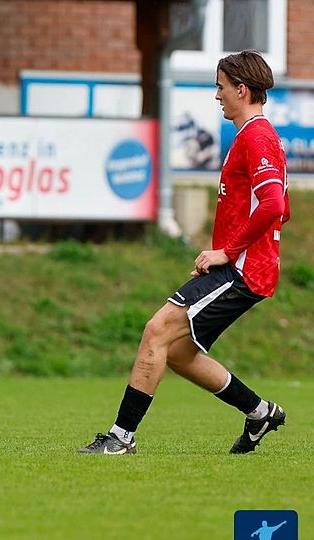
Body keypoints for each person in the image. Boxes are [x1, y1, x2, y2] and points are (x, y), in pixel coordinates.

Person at [79, 50, 290, 456]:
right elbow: (282, 207)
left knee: (156, 331)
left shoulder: (257, 136)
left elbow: (274, 206)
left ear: (241, 89)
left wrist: (227, 252)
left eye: (221, 87)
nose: (217, 95)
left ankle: (121, 438)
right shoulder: (256, 137)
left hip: (242, 269)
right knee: (176, 351)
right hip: (242, 266)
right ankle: (259, 412)